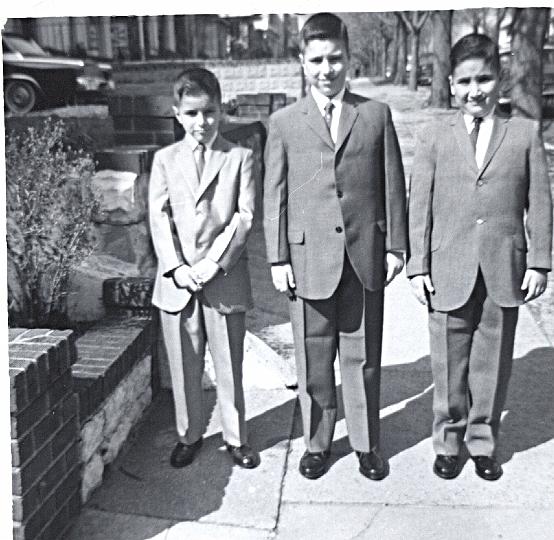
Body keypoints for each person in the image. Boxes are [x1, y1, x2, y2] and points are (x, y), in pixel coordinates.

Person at [263, 13, 407, 480]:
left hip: (365, 254)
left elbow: (392, 184)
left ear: (350, 59)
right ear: (303, 62)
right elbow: (275, 195)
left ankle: (366, 443)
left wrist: (396, 247)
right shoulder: (284, 123)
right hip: (307, 258)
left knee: (362, 353)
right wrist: (277, 257)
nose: (328, 69)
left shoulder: (375, 115)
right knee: (314, 352)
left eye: (336, 59)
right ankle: (318, 442)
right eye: (318, 60)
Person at [407, 33, 552, 481]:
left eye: (485, 79)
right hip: (447, 267)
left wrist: (539, 262)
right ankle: (448, 441)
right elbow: (420, 205)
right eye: (466, 80)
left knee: (491, 361)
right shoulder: (433, 135)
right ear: (451, 83)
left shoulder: (523, 133)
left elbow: (541, 203)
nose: (476, 90)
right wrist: (417, 266)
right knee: (449, 363)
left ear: (501, 79)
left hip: (501, 267)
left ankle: (483, 440)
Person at [149, 67, 260, 469]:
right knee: (184, 363)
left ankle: (235, 437)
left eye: (210, 112)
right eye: (192, 113)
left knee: (229, 363)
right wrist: (177, 267)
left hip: (222, 278)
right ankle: (189, 434)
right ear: (177, 114)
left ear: (221, 110)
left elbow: (244, 216)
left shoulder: (239, 157)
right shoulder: (164, 160)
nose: (202, 122)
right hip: (178, 282)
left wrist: (213, 262)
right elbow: (158, 217)